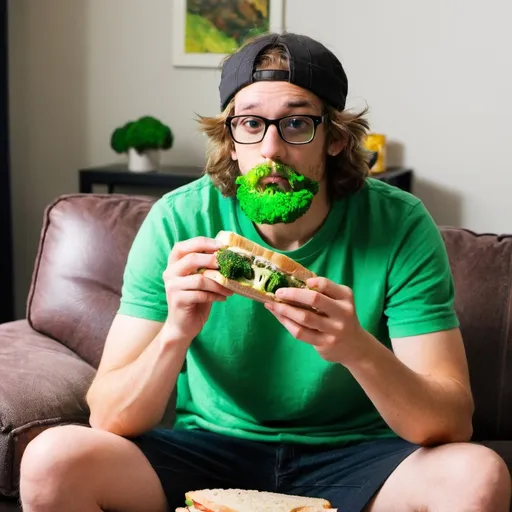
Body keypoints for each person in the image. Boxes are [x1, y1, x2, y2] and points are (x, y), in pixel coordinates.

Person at [19, 32, 510, 512]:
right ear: (230, 141)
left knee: (476, 475)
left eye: (296, 124)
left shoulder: (398, 223)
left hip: (361, 456)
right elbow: (108, 417)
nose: (271, 150)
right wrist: (176, 330)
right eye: (250, 125)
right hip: (209, 450)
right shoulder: (178, 221)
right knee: (52, 459)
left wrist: (357, 349)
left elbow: (450, 423)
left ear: (335, 138)